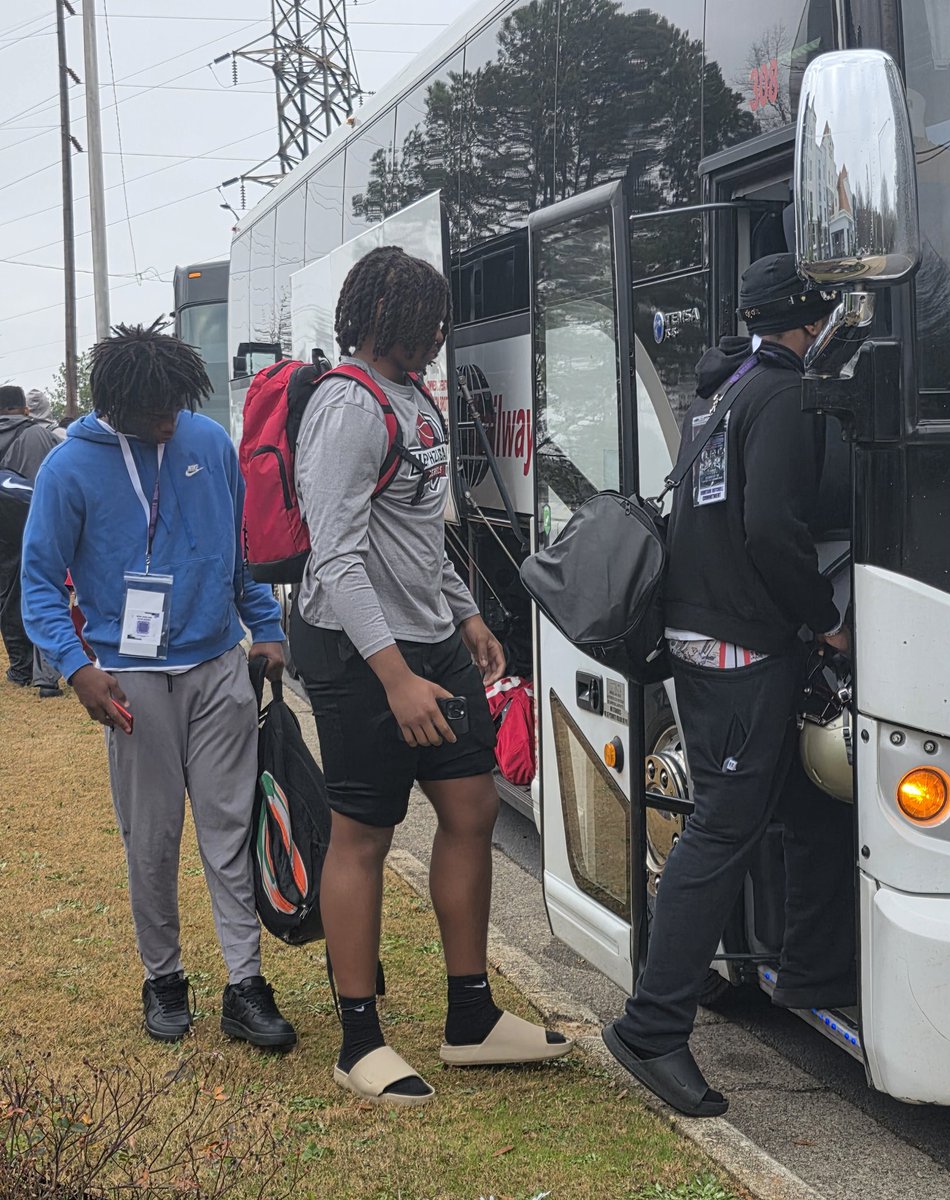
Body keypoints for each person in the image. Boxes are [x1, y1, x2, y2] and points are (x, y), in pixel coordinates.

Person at [289, 246, 572, 1108]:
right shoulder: (346, 407)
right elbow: (335, 561)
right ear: (381, 319)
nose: (440, 334)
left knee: (472, 806)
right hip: (356, 651)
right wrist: (395, 678)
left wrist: (465, 613)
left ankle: (471, 1018)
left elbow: (416, 534)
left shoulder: (414, 400)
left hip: (428, 637)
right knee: (363, 836)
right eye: (427, 320)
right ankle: (359, 1039)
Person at [603, 254, 854, 1118]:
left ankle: (814, 973)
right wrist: (826, 620)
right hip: (746, 654)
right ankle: (651, 1025)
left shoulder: (722, 391)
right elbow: (774, 530)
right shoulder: (781, 395)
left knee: (810, 811)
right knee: (719, 838)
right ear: (811, 320)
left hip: (699, 644)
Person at [21, 320, 297, 1049]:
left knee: (230, 828)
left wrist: (263, 625)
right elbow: (41, 584)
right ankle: (164, 977)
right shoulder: (68, 469)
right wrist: (76, 668)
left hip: (216, 667)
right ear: (116, 406)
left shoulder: (206, 442)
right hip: (129, 682)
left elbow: (238, 550)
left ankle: (245, 985)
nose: (171, 420)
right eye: (157, 411)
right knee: (152, 838)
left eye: (180, 403)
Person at [0, 385, 58, 687]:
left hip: (2, 531)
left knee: (7, 596)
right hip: (39, 523)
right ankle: (45, 673)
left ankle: (20, 667)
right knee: (42, 592)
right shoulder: (37, 434)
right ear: (24, 408)